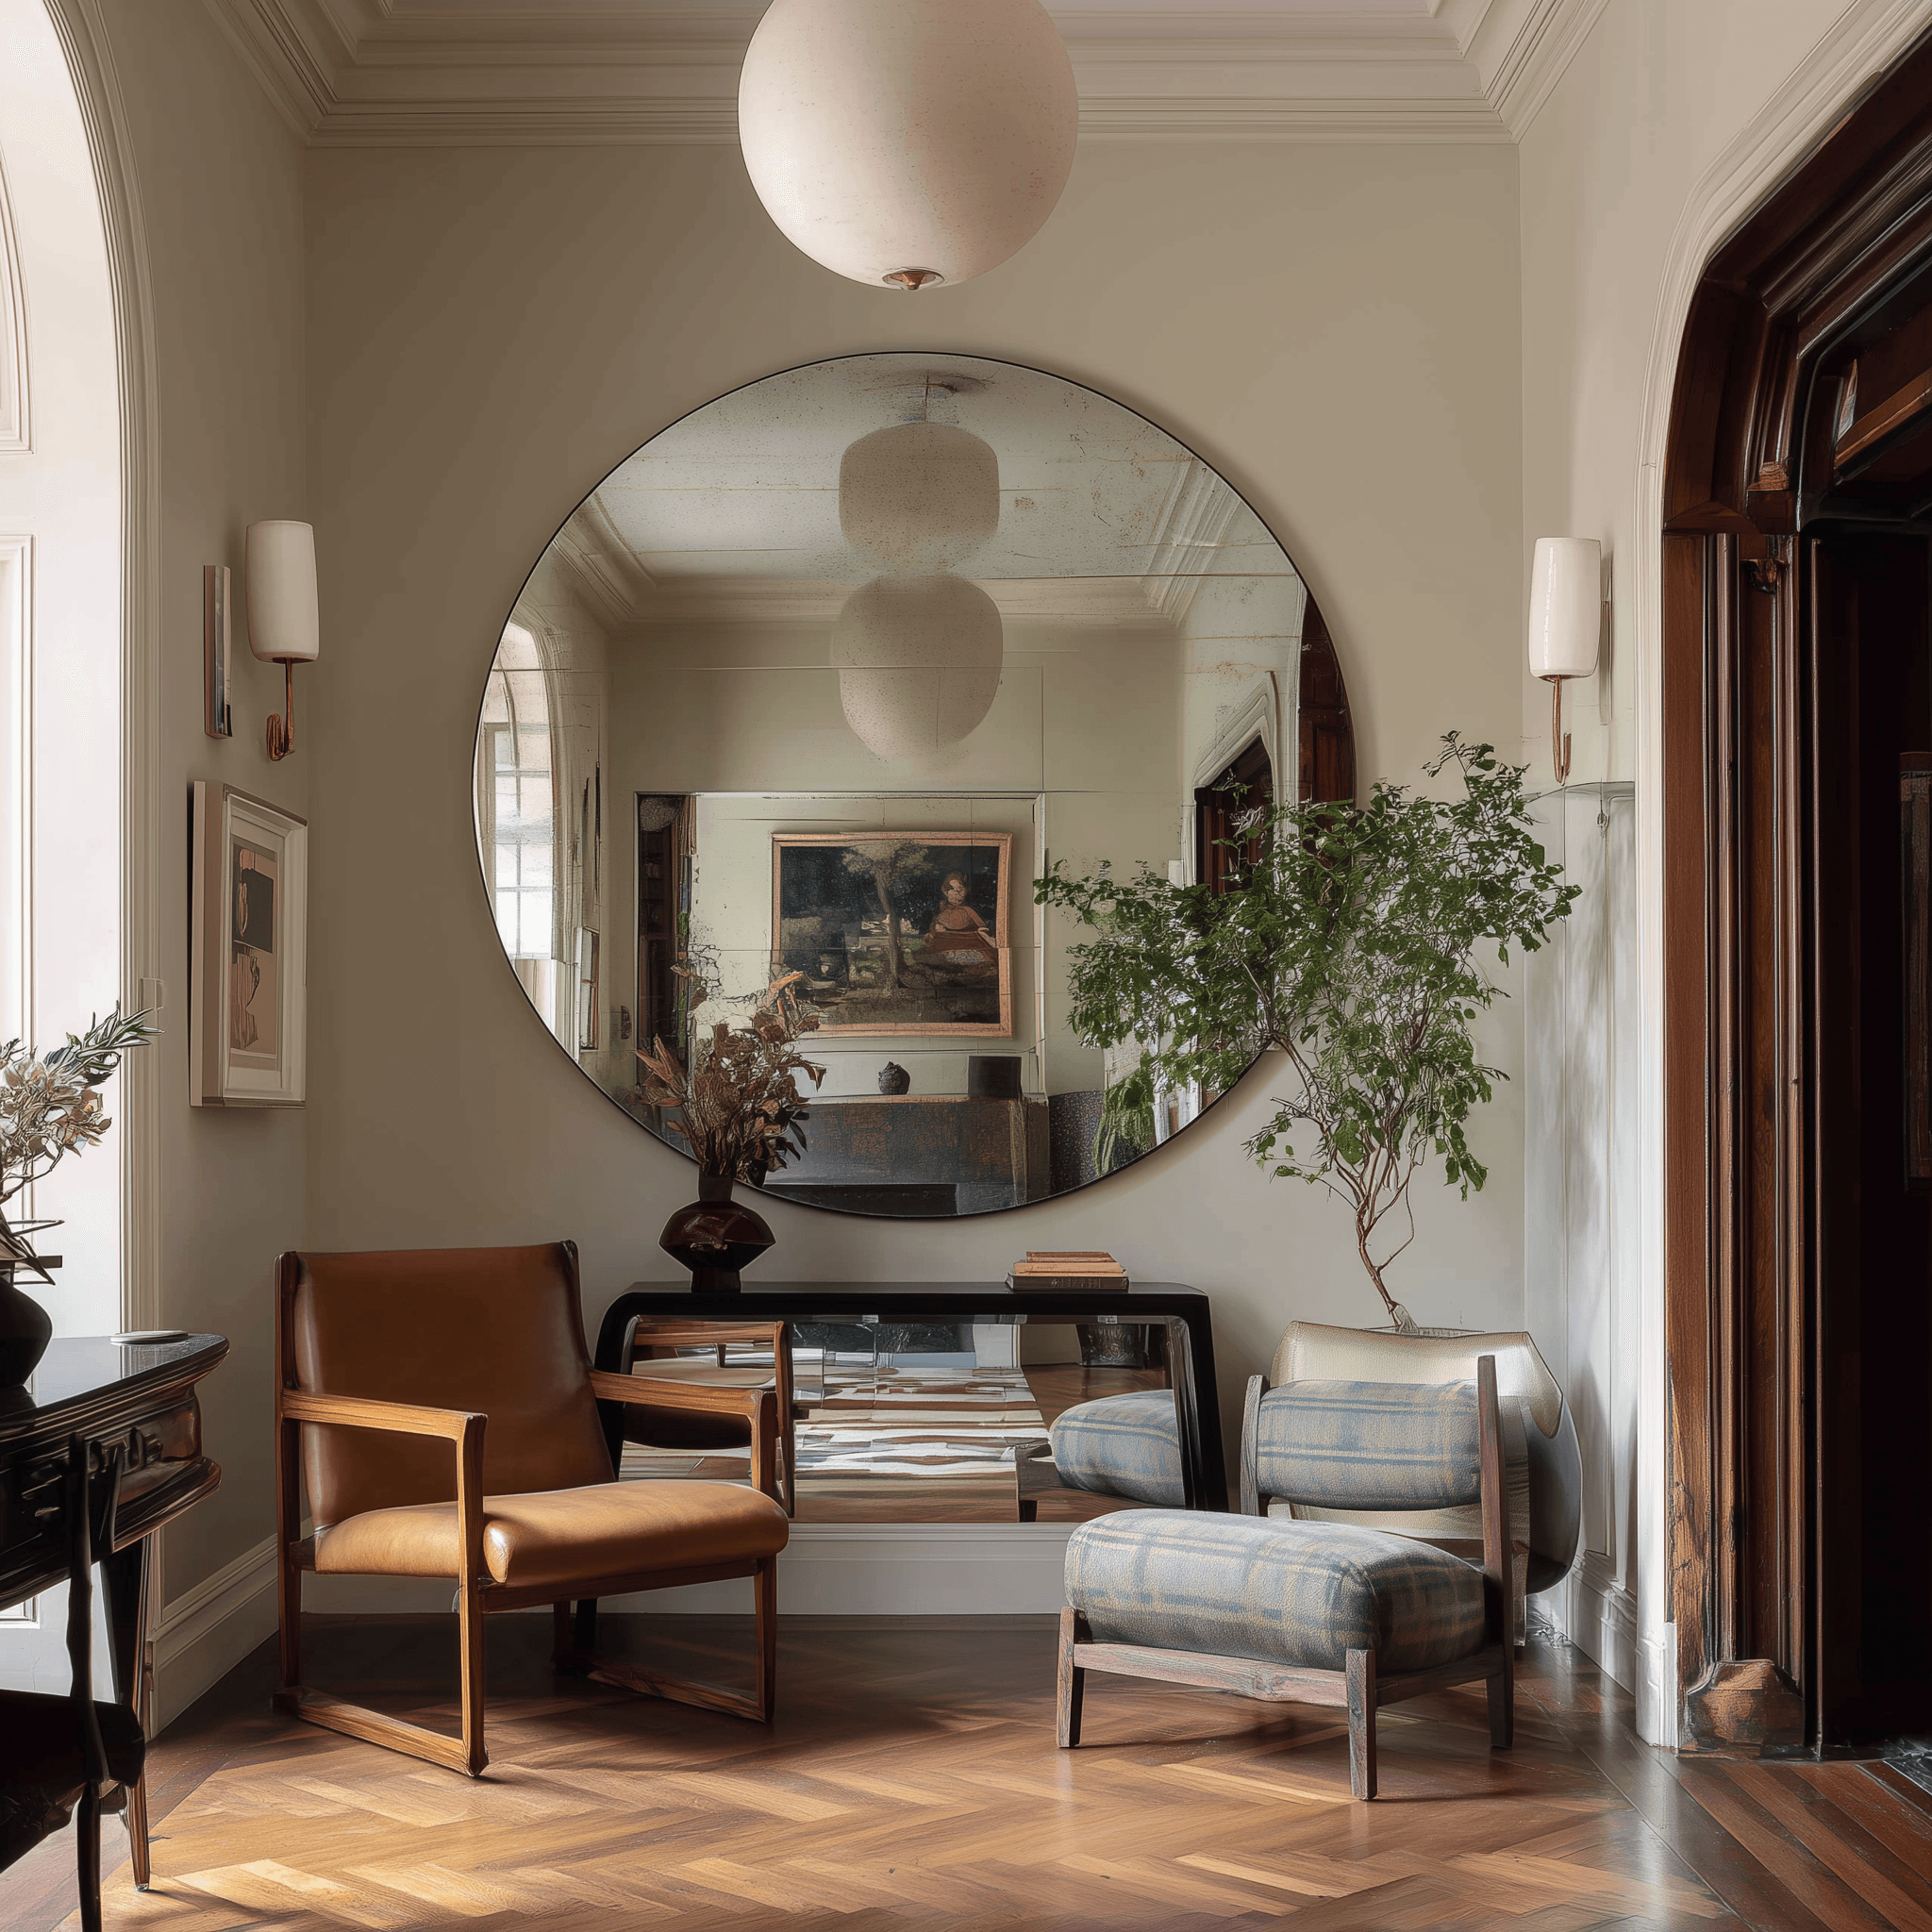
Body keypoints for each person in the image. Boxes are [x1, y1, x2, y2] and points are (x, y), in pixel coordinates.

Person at [922, 873, 996, 970]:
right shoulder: (944, 912)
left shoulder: (967, 910)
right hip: (945, 947)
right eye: (953, 890)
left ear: (966, 891)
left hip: (971, 945)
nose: (957, 893)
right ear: (945, 892)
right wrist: (936, 930)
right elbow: (934, 931)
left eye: (960, 890)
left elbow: (983, 928)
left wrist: (983, 933)